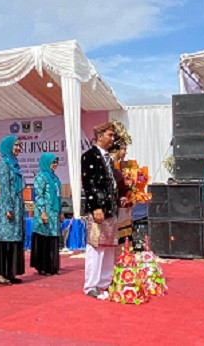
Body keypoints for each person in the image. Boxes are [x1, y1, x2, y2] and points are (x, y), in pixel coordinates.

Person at [82, 122, 119, 299]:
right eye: (110, 135)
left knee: (109, 245)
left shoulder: (109, 158)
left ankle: (105, 282)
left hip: (110, 208)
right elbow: (89, 183)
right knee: (96, 246)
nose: (113, 139)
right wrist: (95, 206)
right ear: (100, 135)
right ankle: (91, 285)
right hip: (97, 208)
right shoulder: (89, 156)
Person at [0, 135, 25, 285]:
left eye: (19, 145)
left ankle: (10, 272)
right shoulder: (4, 164)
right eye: (15, 145)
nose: (18, 148)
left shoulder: (14, 163)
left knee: (14, 239)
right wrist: (9, 208)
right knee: (4, 239)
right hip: (7, 206)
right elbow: (4, 188)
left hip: (16, 204)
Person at [31, 153, 62, 276]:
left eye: (56, 163)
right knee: (44, 239)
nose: (54, 165)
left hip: (54, 213)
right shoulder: (41, 177)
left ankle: (52, 267)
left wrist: (60, 212)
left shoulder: (55, 178)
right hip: (44, 213)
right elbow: (39, 196)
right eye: (52, 162)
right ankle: (42, 267)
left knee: (53, 239)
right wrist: (43, 212)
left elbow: (58, 197)